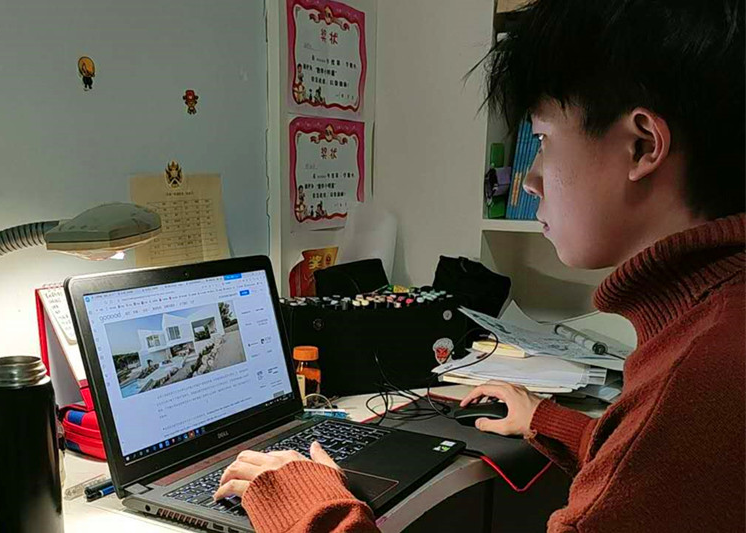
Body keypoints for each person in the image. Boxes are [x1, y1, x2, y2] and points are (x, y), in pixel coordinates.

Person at [214, 0, 745, 531]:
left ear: (642, 146)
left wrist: (310, 505)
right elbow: (652, 472)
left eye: (543, 141)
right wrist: (553, 423)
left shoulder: (697, 383)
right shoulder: (714, 332)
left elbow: (658, 448)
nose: (530, 180)